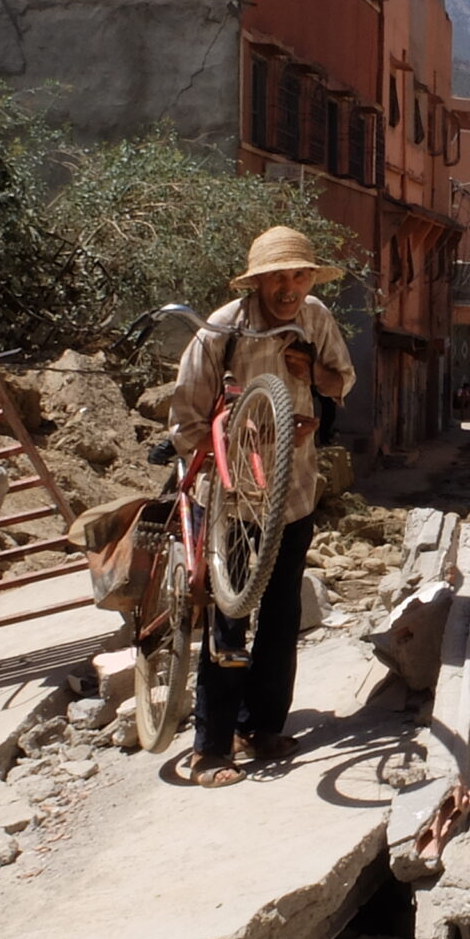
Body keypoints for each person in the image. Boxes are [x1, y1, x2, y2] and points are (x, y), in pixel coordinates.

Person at [166, 226, 354, 787]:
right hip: (234, 498)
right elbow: (185, 422)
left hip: (293, 489)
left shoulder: (315, 318)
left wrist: (311, 375)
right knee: (229, 617)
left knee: (282, 613)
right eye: (277, 277)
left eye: (299, 275)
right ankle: (210, 749)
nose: (289, 288)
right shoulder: (223, 329)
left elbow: (341, 382)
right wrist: (239, 438)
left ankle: (262, 726)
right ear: (257, 282)